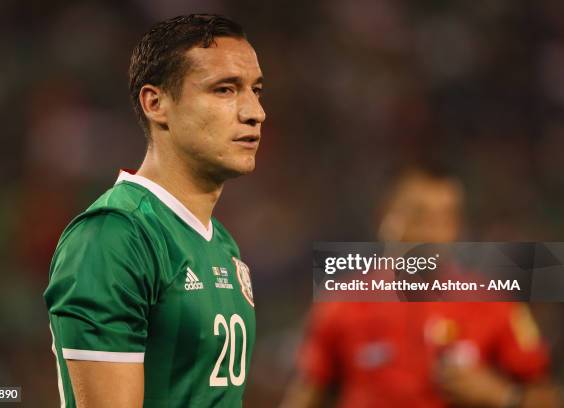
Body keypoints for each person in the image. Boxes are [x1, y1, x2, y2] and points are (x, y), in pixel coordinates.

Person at [44, 14, 265, 407]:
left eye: (256, 90)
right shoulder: (114, 235)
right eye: (225, 90)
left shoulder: (223, 245)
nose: (254, 112)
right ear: (156, 102)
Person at [282, 164, 560, 407]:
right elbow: (306, 395)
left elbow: (549, 398)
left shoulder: (494, 305)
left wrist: (503, 396)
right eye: (419, 216)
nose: (433, 233)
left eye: (446, 218)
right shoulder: (341, 304)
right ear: (384, 219)